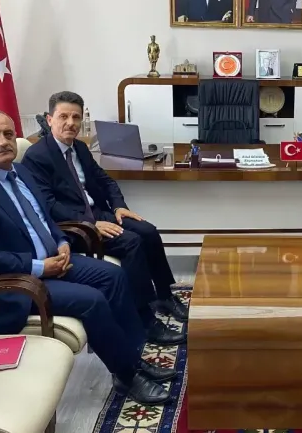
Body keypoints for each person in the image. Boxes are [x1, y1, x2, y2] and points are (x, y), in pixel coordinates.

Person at [0, 110, 181, 405]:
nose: (3, 141)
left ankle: (133, 359)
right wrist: (40, 266)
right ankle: (127, 376)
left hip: (55, 260)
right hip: (17, 282)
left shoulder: (21, 172)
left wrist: (61, 241)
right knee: (92, 300)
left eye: (8, 134)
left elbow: (44, 218)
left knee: (115, 276)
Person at [20, 91, 189, 323]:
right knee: (131, 242)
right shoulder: (37, 156)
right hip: (73, 226)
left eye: (76, 117)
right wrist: (91, 224)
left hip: (98, 213)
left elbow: (106, 180)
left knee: (148, 231)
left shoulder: (79, 148)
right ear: (49, 120)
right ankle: (143, 317)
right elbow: (48, 205)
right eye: (63, 117)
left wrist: (119, 206)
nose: (70, 123)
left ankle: (164, 296)